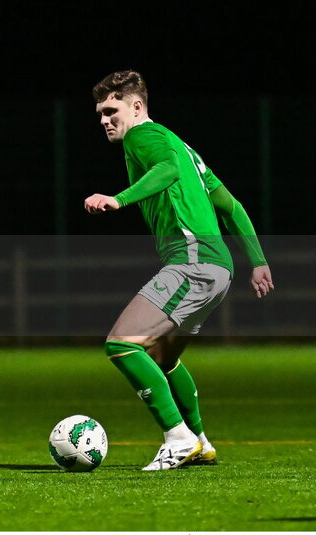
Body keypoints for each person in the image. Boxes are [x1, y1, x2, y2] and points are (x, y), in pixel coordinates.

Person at [84, 71, 273, 471]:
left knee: (121, 343)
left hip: (192, 260)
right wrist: (257, 260)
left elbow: (166, 170)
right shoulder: (185, 148)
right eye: (100, 113)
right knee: (162, 358)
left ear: (137, 107)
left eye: (111, 110)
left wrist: (119, 199)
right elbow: (232, 205)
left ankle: (177, 436)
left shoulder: (144, 137)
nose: (104, 119)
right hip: (218, 266)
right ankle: (200, 441)